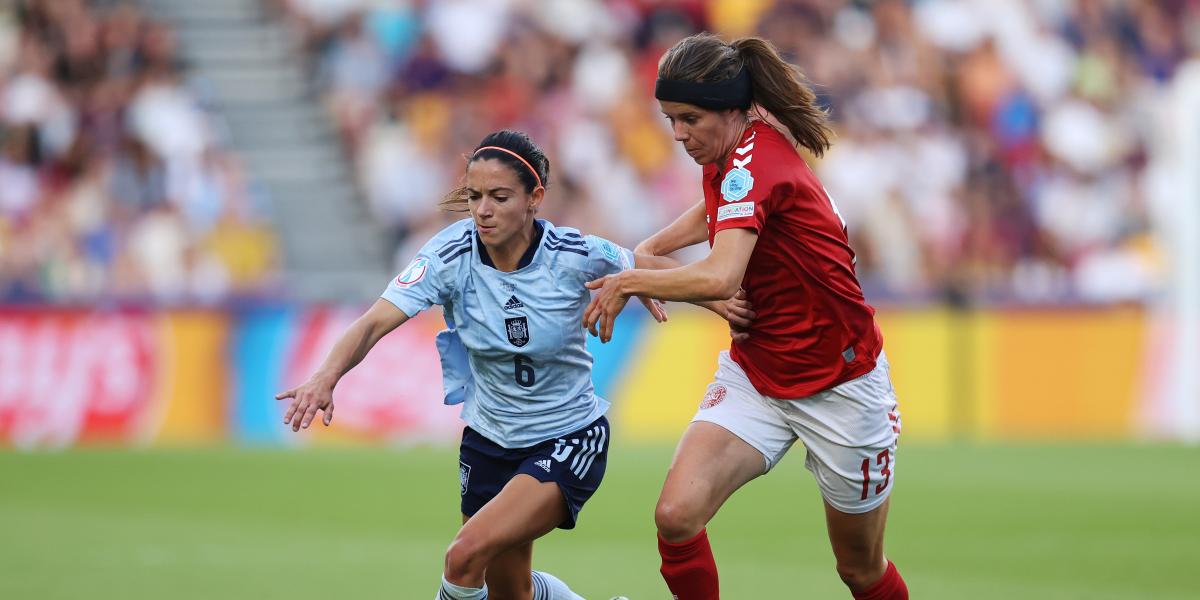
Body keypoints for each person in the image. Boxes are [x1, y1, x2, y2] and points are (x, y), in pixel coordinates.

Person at [277, 130, 671, 600]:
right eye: (474, 196)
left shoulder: (573, 253)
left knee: (463, 557)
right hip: (489, 440)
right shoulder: (448, 255)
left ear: (534, 198)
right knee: (510, 592)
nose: (482, 210)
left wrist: (725, 296)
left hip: (567, 435)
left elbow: (649, 266)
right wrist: (326, 376)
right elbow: (374, 321)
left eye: (499, 197)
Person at [583, 33, 909, 600]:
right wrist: (697, 293)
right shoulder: (728, 155)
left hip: (841, 385)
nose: (679, 135)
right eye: (670, 119)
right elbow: (664, 254)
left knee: (860, 570)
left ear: (730, 109)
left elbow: (716, 273)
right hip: (758, 374)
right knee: (676, 515)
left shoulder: (752, 164)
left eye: (689, 118)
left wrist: (633, 281)